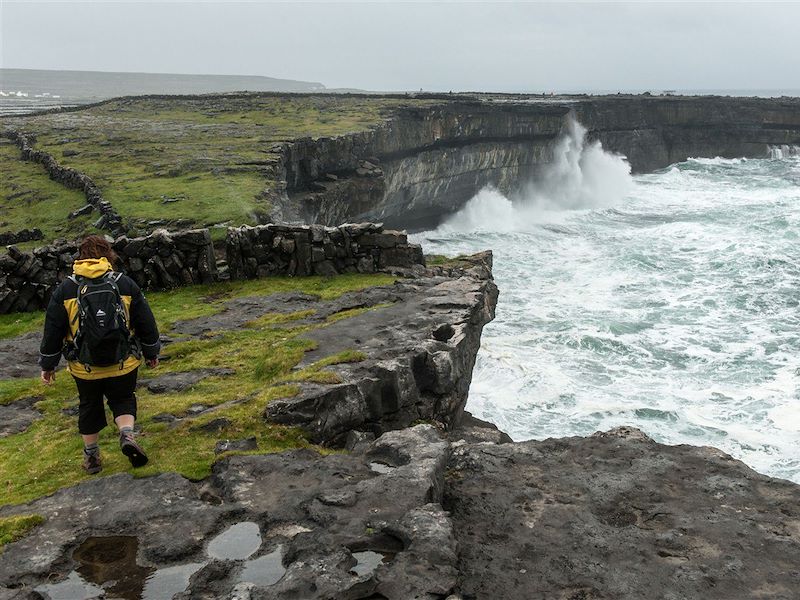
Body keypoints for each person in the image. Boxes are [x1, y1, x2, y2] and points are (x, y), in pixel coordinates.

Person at [39, 235, 160, 474]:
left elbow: (53, 330)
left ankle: (92, 458)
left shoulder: (66, 289)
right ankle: (126, 435)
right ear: (108, 254)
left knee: (89, 405)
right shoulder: (124, 284)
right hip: (123, 362)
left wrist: (48, 364)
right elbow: (145, 321)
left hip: (85, 368)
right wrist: (151, 351)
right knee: (123, 398)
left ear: (80, 257)